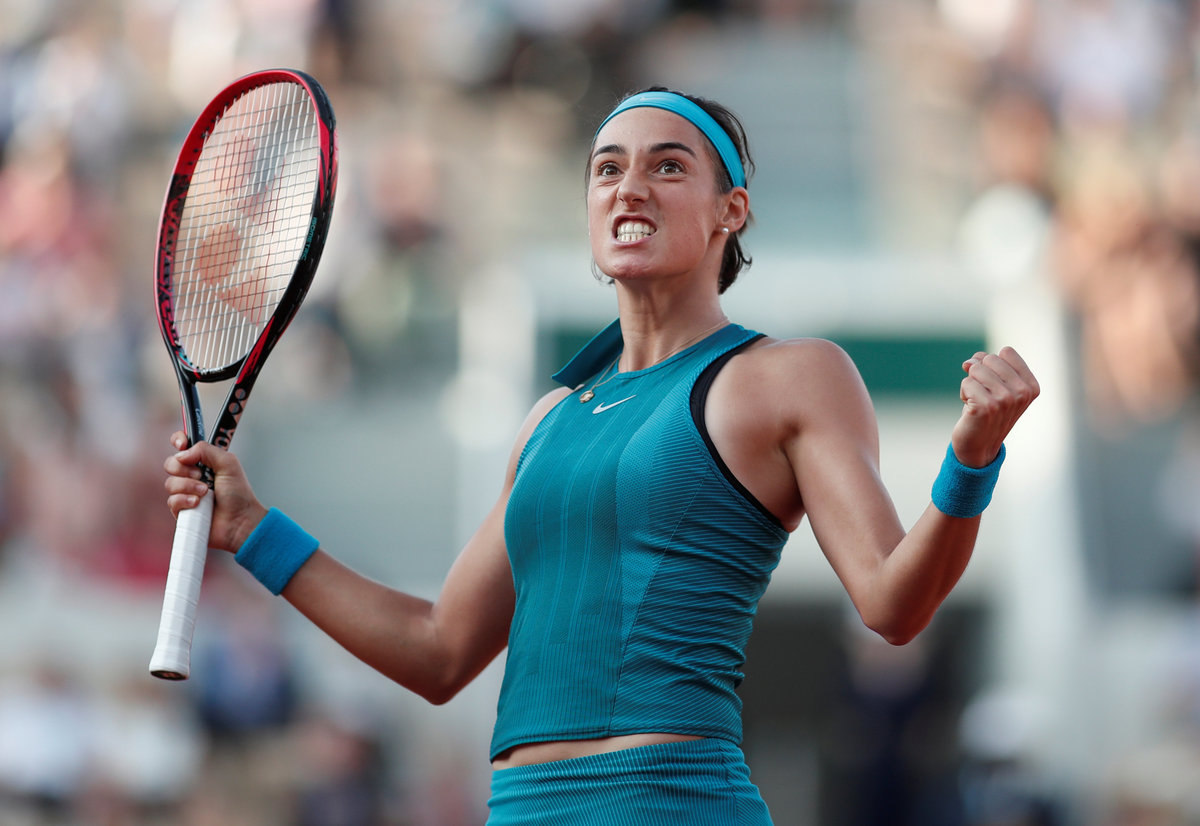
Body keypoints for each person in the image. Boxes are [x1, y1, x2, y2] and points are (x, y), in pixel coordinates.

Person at [163, 86, 1039, 824]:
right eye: (607, 169)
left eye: (669, 166)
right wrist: (255, 530)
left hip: (672, 802)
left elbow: (893, 604)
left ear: (730, 210)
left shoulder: (791, 376)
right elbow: (437, 652)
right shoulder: (548, 419)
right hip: (520, 808)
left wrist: (970, 461)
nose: (630, 189)